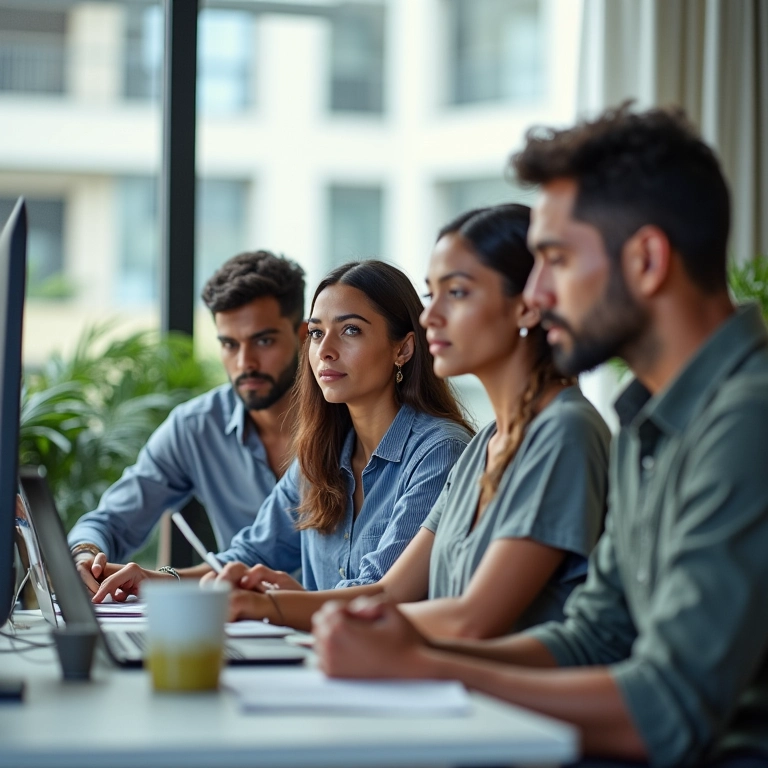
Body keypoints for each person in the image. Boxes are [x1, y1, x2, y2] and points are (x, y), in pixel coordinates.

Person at [313, 104, 768, 767]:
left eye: (553, 259)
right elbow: (592, 637)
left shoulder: (747, 421)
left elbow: (669, 709)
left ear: (645, 260)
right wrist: (403, 651)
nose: (538, 291)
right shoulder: (654, 424)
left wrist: (425, 667)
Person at [211, 205, 610, 637]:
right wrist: (273, 605)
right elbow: (389, 593)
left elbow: (468, 620)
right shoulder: (485, 446)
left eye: (456, 293)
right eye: (431, 294)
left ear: (528, 306)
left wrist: (288, 609)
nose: (428, 317)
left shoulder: (557, 432)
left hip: (493, 698)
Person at [91, 260, 473, 604]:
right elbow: (248, 557)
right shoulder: (321, 452)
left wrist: (281, 603)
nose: (325, 351)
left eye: (351, 330)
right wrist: (157, 580)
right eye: (319, 334)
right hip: (320, 661)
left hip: (397, 674)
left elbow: (378, 593)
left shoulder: (440, 451)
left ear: (403, 349)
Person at [68, 250, 307, 593]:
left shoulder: (346, 426)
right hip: (238, 626)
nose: (245, 362)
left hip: (333, 625)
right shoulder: (197, 427)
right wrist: (85, 556)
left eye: (263, 341)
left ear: (303, 335)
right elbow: (112, 520)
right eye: (229, 344)